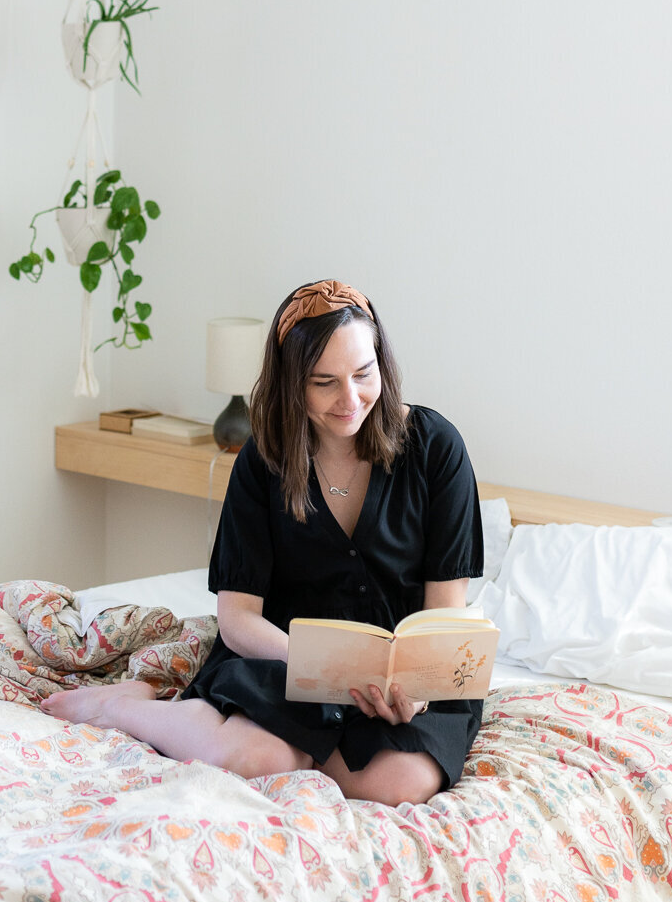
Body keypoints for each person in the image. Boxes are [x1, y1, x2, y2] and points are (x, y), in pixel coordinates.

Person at [41, 279, 484, 805]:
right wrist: (325, 669)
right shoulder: (262, 460)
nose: (351, 400)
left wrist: (416, 688)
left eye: (364, 375)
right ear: (292, 383)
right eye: (325, 383)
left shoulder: (436, 450)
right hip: (285, 661)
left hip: (404, 687)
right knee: (262, 760)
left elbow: (444, 614)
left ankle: (254, 735)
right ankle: (127, 708)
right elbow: (238, 618)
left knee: (398, 785)